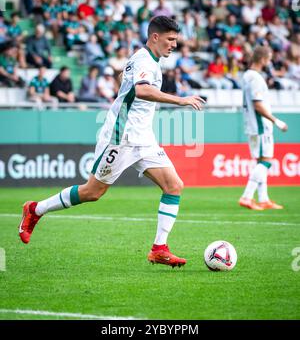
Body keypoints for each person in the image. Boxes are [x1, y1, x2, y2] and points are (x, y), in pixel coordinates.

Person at [18, 16, 205, 268]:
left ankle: (159, 248)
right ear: (155, 37)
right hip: (122, 135)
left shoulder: (149, 61)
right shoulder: (143, 60)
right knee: (92, 192)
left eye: (176, 40)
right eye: (170, 39)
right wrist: (180, 100)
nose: (174, 44)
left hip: (143, 136)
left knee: (174, 185)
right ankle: (35, 209)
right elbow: (142, 90)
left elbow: (128, 82)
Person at [239, 46, 288, 211]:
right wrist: (276, 121)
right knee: (266, 162)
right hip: (260, 125)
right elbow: (258, 104)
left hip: (252, 124)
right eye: (269, 58)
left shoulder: (247, 75)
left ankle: (263, 199)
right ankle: (247, 196)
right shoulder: (256, 78)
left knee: (261, 162)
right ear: (262, 59)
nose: (270, 61)